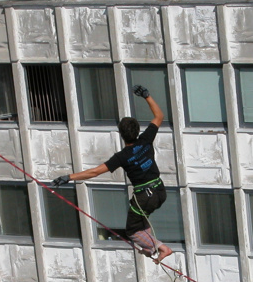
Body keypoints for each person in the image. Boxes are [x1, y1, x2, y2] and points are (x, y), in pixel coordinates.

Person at [52, 86, 172, 263]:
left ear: (121, 135)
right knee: (141, 220)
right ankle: (151, 246)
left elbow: (94, 172)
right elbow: (159, 116)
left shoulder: (122, 157)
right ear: (138, 130)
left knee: (132, 231)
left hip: (144, 197)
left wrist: (69, 177)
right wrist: (147, 96)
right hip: (160, 191)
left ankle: (160, 248)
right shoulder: (146, 139)